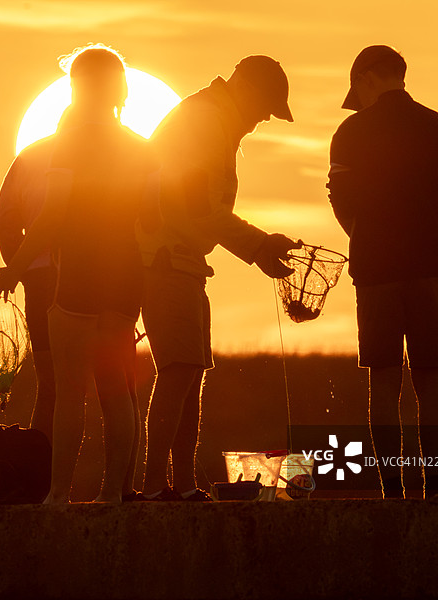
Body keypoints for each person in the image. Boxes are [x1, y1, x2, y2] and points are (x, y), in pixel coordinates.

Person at [0, 45, 158, 503]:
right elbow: (154, 218)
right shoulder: (141, 146)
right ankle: (112, 496)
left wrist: (17, 266)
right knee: (115, 389)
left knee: (68, 390)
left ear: (78, 87)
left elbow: (52, 216)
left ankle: (58, 495)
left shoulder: (70, 142)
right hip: (125, 271)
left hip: (80, 268)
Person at [138, 56, 300, 502]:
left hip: (182, 260)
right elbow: (202, 210)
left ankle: (183, 485)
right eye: (265, 108)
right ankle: (156, 487)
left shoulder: (211, 119)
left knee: (190, 372)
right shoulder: (207, 122)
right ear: (246, 89)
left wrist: (259, 247)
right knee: (178, 371)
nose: (262, 119)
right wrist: (259, 245)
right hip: (165, 259)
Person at [327, 46, 438, 498]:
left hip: (376, 270)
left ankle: (393, 490)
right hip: (433, 266)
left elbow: (340, 199)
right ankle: (435, 487)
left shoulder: (349, 132)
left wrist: (362, 236)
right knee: (431, 378)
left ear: (367, 78)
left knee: (384, 379)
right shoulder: (437, 127)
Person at [0, 135, 58, 443]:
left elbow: (5, 225)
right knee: (115, 388)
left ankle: (42, 478)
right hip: (103, 280)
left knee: (50, 386)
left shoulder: (30, 157)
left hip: (40, 279)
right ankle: (120, 487)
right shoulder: (117, 149)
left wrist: (21, 268)